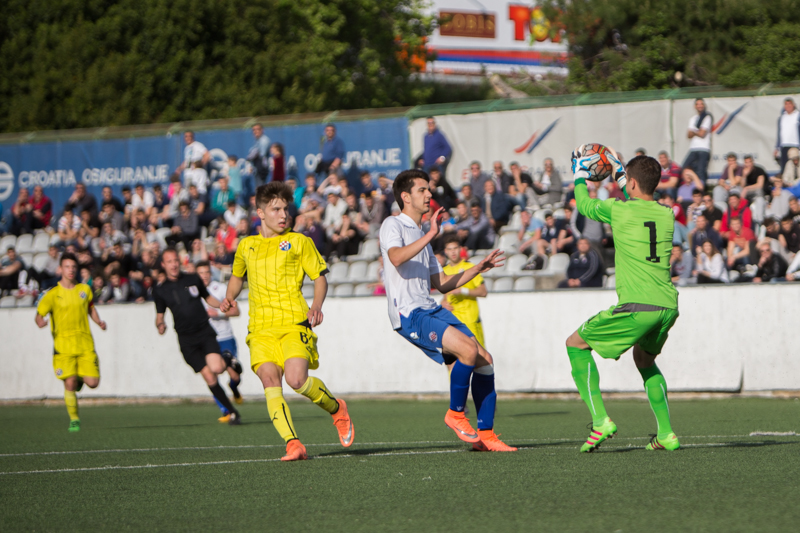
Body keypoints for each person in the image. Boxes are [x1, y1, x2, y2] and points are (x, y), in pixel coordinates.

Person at [379, 169, 515, 452]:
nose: (429, 194)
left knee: (484, 359)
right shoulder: (393, 224)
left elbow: (441, 284)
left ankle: (486, 436)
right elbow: (395, 257)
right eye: (422, 190)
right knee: (467, 350)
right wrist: (430, 234)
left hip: (430, 308)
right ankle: (455, 413)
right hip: (409, 314)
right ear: (405, 197)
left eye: (429, 189)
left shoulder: (421, 234)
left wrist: (477, 267)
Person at [220, 182, 354, 462]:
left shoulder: (299, 241)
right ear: (260, 213)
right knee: (270, 379)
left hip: (294, 323)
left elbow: (319, 277)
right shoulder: (247, 246)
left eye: (286, 209)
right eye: (276, 209)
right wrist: (230, 297)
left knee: (296, 380)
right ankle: (293, 444)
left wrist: (316, 306)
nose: (284, 215)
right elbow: (236, 277)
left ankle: (337, 408)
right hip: (260, 329)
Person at [566, 152, 680, 453]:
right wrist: (620, 171)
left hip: (637, 306)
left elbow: (584, 205)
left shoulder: (618, 210)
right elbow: (637, 194)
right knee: (644, 360)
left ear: (629, 183)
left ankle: (601, 420)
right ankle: (666, 434)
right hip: (668, 306)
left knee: (575, 344)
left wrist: (579, 174)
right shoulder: (667, 214)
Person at [153, 248, 242, 425]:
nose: (173, 264)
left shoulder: (192, 279)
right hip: (186, 340)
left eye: (175, 261)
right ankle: (232, 412)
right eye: (169, 262)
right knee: (209, 377)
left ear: (179, 262)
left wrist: (222, 305)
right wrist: (160, 325)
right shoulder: (160, 291)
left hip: (204, 332)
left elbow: (208, 298)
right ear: (163, 265)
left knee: (216, 368)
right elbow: (159, 315)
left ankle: (226, 358)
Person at [34, 253, 107, 432]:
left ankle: (80, 380)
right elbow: (39, 315)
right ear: (61, 269)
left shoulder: (84, 290)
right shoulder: (53, 294)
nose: (71, 270)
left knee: (93, 382)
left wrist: (99, 321)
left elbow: (91, 308)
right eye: (67, 267)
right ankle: (74, 419)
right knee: (69, 382)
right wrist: (40, 322)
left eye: (74, 267)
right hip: (63, 346)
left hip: (85, 344)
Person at [196, 261, 244, 422]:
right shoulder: (193, 291)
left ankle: (234, 387)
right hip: (208, 340)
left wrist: (217, 313)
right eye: (200, 273)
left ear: (210, 273)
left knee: (234, 375)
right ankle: (226, 410)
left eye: (206, 272)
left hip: (225, 338)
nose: (203, 276)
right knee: (212, 373)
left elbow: (236, 311)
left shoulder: (221, 289)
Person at [439, 234, 487, 347]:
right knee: (454, 358)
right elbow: (446, 295)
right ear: (445, 251)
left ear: (460, 249)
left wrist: (463, 290)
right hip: (452, 323)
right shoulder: (444, 271)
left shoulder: (470, 267)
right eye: (450, 249)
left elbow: (483, 291)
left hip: (470, 321)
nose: (453, 252)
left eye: (455, 248)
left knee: (479, 357)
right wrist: (443, 303)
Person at [683, 98, 712, 182]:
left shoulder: (707, 117)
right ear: (695, 106)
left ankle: (701, 190)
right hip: (693, 148)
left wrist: (694, 131)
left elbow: (702, 134)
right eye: (698, 104)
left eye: (701, 104)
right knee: (685, 167)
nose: (699, 106)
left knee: (701, 171)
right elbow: (688, 135)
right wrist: (697, 131)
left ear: (704, 105)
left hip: (703, 148)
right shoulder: (693, 119)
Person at [775, 97, 800, 173]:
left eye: (790, 104)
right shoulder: (782, 117)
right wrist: (777, 147)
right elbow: (779, 133)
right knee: (785, 167)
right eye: (786, 104)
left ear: (793, 105)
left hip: (795, 145)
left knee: (796, 167)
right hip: (784, 146)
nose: (788, 106)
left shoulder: (798, 115)